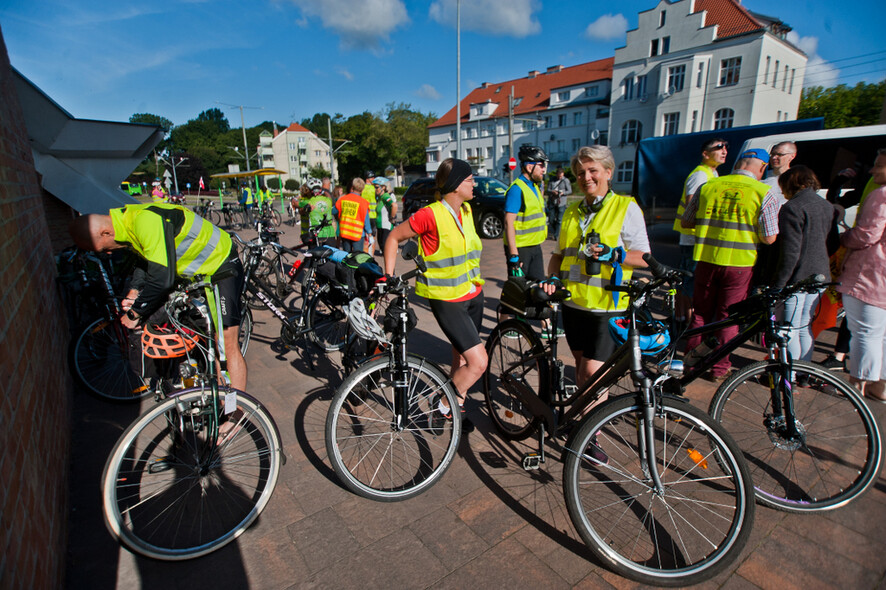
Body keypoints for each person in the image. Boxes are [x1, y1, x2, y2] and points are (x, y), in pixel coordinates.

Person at [68, 203, 247, 395]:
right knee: (206, 340)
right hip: (197, 273)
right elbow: (145, 258)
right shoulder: (125, 221)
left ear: (105, 233)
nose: (108, 253)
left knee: (227, 343)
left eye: (103, 249)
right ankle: (217, 393)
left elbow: (162, 279)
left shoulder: (144, 221)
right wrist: (135, 290)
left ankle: (237, 416)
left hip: (221, 265)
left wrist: (136, 312)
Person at [382, 158, 485, 432]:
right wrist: (390, 276)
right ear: (454, 185)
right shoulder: (431, 214)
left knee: (461, 358)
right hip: (447, 299)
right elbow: (393, 237)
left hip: (473, 293)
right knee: (478, 362)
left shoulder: (467, 212)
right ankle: (442, 403)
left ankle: (453, 409)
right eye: (469, 179)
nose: (474, 183)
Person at [546, 145, 650, 392]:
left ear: (608, 172)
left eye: (592, 170)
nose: (586, 178)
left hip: (607, 308)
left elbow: (645, 258)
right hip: (573, 306)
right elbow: (559, 256)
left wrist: (614, 254)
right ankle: (586, 423)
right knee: (582, 368)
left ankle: (592, 428)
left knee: (593, 373)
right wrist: (551, 277)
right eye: (580, 173)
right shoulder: (572, 211)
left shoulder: (626, 208)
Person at [682, 148, 780, 381]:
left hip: (706, 259)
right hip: (740, 265)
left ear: (738, 164)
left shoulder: (708, 186)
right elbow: (769, 238)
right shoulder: (764, 192)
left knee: (700, 315)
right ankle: (718, 368)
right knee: (728, 318)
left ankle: (692, 365)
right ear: (763, 168)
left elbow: (687, 221)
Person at [771, 166, 838, 363]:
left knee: (788, 327)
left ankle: (788, 375)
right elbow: (833, 242)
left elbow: (791, 253)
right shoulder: (827, 206)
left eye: (783, 186)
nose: (782, 191)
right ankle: (804, 371)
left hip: (798, 277)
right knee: (804, 325)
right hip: (820, 274)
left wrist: (779, 284)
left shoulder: (792, 208)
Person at [837, 149, 886, 402]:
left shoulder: (881, 195)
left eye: (878, 166)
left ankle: (857, 386)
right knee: (882, 333)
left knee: (865, 332)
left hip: (871, 273)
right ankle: (880, 387)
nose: (872, 170)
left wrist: (843, 236)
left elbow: (867, 235)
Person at [672, 138, 729, 328]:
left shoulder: (712, 173)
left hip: (698, 237)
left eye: (725, 148)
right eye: (718, 148)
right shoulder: (700, 175)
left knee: (690, 279)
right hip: (693, 238)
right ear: (705, 154)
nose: (724, 151)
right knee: (690, 281)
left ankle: (683, 319)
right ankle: (687, 321)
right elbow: (692, 205)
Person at [753, 141, 798, 287]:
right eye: (772, 154)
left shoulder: (796, 181)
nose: (774, 158)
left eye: (779, 154)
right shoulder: (763, 181)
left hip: (785, 238)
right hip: (764, 238)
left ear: (792, 156)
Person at [504, 145, 548, 281]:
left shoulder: (534, 186)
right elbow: (508, 223)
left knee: (538, 285)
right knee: (519, 290)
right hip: (520, 249)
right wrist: (513, 255)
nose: (544, 170)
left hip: (535, 245)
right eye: (541, 165)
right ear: (530, 167)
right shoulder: (517, 189)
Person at [335, 178, 371, 252]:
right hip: (358, 234)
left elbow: (334, 211)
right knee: (357, 257)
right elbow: (366, 220)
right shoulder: (363, 202)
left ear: (352, 187)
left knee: (346, 255)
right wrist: (369, 233)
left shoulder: (343, 199)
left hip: (345, 232)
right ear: (362, 189)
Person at [373, 177, 397, 255]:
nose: (375, 189)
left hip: (386, 227)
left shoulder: (385, 196)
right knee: (383, 249)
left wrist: (392, 218)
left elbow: (394, 206)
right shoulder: (379, 198)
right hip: (380, 227)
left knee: (386, 250)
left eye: (376, 187)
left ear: (383, 187)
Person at [546, 167, 571, 240]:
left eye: (561, 176)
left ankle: (557, 235)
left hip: (561, 202)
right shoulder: (552, 179)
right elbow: (548, 189)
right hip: (553, 201)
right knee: (551, 219)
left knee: (560, 220)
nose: (560, 177)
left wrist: (563, 193)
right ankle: (555, 230)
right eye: (558, 176)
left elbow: (569, 191)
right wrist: (552, 191)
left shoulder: (565, 180)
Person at [362, 170, 378, 253]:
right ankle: (371, 253)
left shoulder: (362, 188)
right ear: (368, 179)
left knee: (365, 236)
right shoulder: (374, 188)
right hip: (373, 215)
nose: (374, 179)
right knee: (373, 236)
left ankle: (365, 252)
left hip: (364, 215)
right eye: (372, 177)